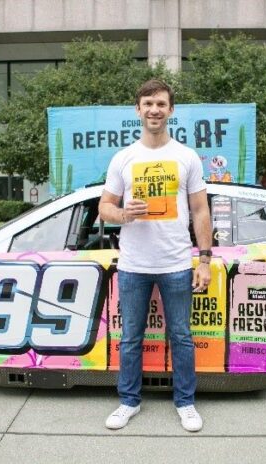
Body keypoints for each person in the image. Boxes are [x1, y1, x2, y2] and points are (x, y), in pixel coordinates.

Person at [99, 79, 213, 432]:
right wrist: (122, 214)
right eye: (148, 103)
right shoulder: (123, 158)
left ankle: (186, 403)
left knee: (181, 337)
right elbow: (104, 206)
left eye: (161, 104)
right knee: (130, 338)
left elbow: (201, 210)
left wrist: (204, 260)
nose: (154, 110)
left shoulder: (186, 156)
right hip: (133, 265)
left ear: (170, 110)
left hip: (176, 264)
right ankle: (128, 402)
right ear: (138, 110)